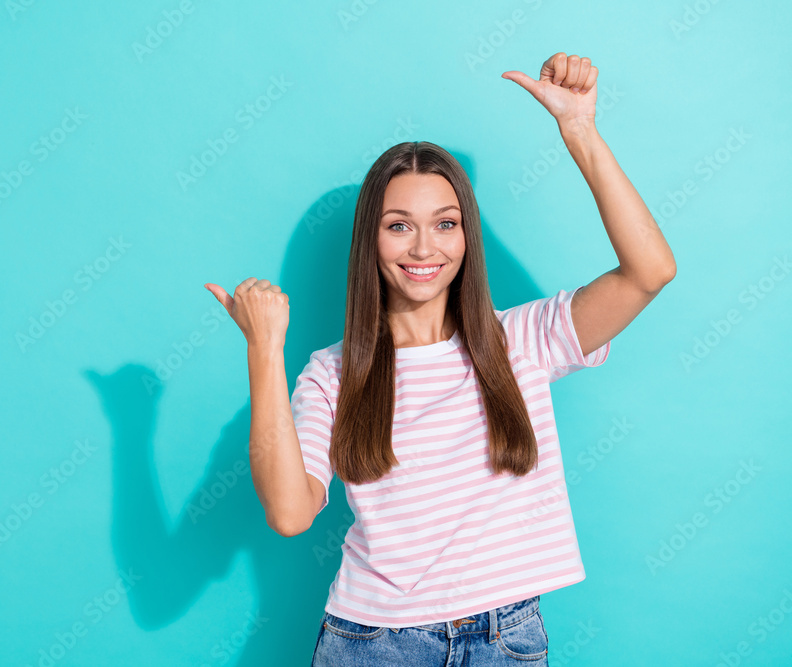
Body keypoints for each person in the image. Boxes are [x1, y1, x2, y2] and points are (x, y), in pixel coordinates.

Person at [205, 52, 675, 666]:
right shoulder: (332, 373)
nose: (424, 246)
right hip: (372, 644)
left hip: (507, 640)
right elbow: (291, 513)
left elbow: (650, 271)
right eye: (399, 226)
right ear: (370, 241)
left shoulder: (521, 341)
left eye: (445, 223)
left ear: (466, 235)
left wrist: (579, 130)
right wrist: (264, 349)